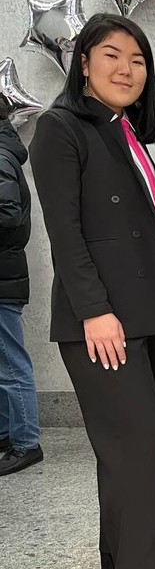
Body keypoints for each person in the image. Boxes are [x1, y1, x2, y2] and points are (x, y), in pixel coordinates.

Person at [29, 13, 155, 569]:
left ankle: (119, 554)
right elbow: (65, 233)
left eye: (138, 60)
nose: (126, 69)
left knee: (126, 446)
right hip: (101, 321)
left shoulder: (126, 135)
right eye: (112, 55)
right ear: (84, 64)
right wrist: (95, 310)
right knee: (140, 444)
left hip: (144, 318)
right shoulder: (60, 128)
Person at [0, 95, 43, 476]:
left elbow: (8, 215)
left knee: (11, 363)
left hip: (4, 274)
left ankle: (27, 442)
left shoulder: (0, 156)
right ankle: (6, 434)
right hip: (5, 271)